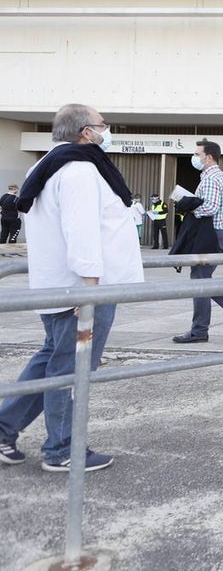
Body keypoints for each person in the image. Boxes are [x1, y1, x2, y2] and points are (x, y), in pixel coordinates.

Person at [0, 104, 143, 471]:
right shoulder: (79, 170)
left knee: (52, 360)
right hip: (81, 289)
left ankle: (3, 430)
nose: (107, 131)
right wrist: (89, 290)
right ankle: (61, 449)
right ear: (85, 132)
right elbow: (81, 232)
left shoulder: (47, 164)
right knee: (71, 369)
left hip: (58, 284)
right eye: (103, 125)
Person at [171, 140, 223, 343]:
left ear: (208, 157)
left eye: (197, 154)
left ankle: (201, 330)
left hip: (213, 234)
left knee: (199, 281)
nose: (194, 158)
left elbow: (209, 208)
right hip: (221, 233)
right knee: (201, 279)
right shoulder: (222, 177)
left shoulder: (209, 179)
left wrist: (186, 205)